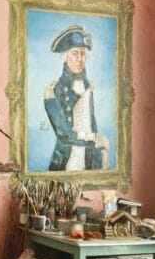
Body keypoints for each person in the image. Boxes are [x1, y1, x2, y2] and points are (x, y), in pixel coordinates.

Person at [44, 25, 109, 171]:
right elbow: (64, 134)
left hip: (90, 159)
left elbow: (91, 123)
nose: (80, 59)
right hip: (66, 160)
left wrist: (100, 148)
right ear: (65, 56)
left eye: (83, 54)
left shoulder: (88, 87)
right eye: (74, 53)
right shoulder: (53, 90)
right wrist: (94, 138)